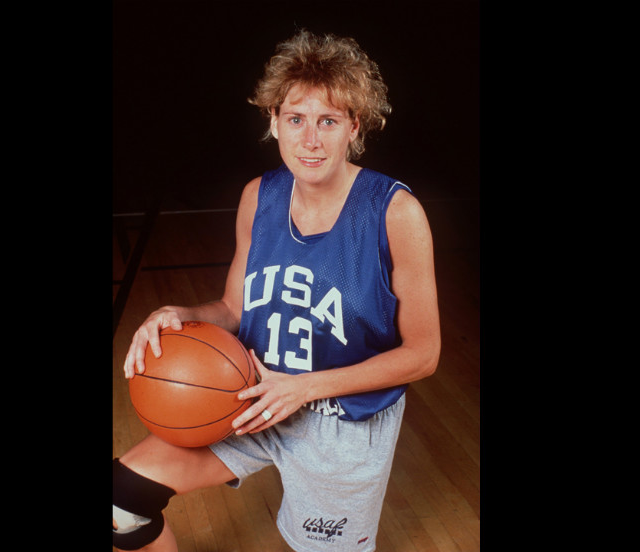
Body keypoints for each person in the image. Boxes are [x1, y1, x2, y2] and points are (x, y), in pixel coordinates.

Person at [113, 29, 441, 552]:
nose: (310, 140)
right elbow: (232, 307)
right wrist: (177, 311)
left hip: (342, 426)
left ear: (354, 127)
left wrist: (304, 387)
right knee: (120, 505)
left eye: (328, 121)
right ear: (273, 121)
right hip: (250, 398)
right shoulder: (257, 198)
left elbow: (423, 355)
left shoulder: (394, 212)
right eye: (296, 119)